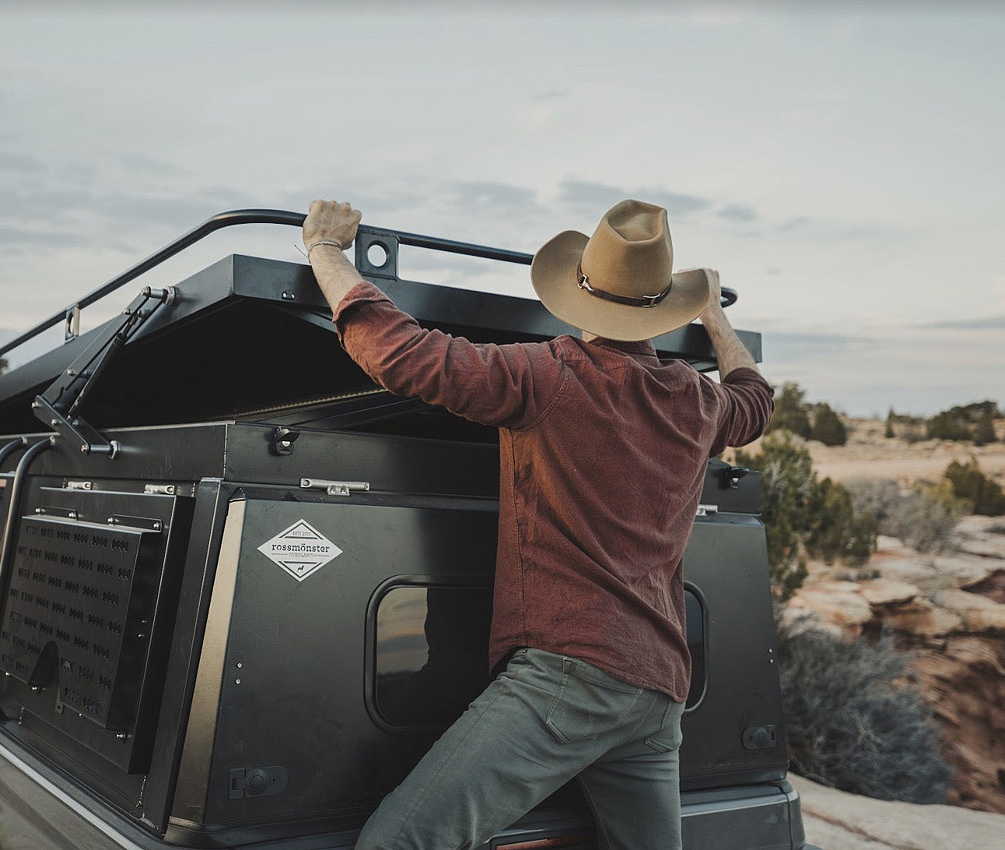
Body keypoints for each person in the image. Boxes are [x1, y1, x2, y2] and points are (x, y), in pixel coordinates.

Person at [302, 198, 773, 850]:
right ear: (661, 307)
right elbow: (755, 397)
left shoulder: (550, 376)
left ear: (580, 295)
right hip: (658, 690)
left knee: (396, 843)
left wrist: (325, 251)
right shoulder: (698, 401)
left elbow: (404, 354)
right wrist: (715, 317)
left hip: (569, 679)